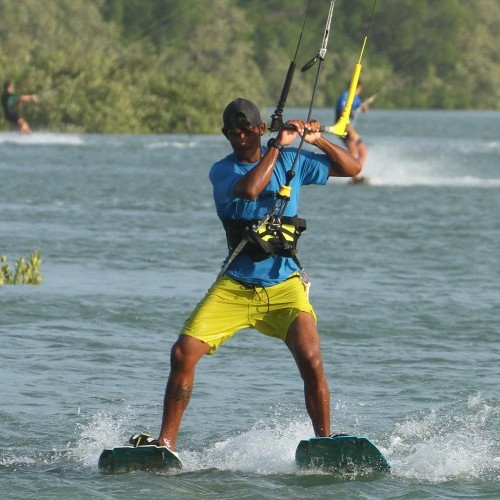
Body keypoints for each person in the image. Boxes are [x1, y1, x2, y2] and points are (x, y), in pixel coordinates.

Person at [132, 98, 361, 452]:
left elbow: (352, 168)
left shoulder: (291, 161)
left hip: (285, 286)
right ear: (226, 134)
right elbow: (251, 188)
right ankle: (165, 444)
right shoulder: (223, 171)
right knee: (182, 353)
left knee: (312, 359)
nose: (239, 137)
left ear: (258, 128)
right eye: (232, 132)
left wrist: (316, 140)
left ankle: (324, 442)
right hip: (236, 287)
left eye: (246, 130)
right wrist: (276, 145)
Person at [335, 81, 374, 183]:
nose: (360, 91)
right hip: (343, 128)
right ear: (357, 88)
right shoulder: (345, 96)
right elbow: (342, 113)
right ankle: (352, 176)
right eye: (360, 89)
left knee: (363, 151)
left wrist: (365, 103)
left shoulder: (356, 99)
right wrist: (351, 131)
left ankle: (356, 174)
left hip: (351, 129)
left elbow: (365, 110)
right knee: (353, 150)